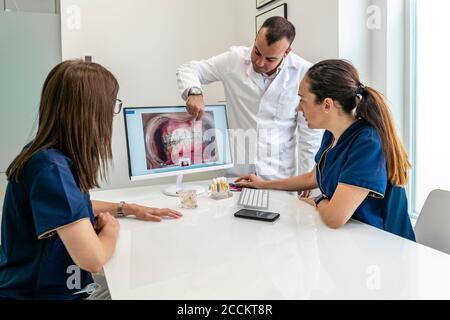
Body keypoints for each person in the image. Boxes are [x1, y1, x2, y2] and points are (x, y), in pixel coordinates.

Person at [0, 60, 182, 300]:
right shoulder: (50, 169)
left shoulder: (48, 157)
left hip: (57, 284)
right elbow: (93, 260)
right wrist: (112, 229)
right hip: (41, 293)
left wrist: (127, 208)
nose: (113, 113)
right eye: (112, 104)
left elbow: (69, 208)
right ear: (91, 110)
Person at [236, 59, 415, 241]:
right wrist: (263, 184)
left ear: (327, 105)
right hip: (349, 240)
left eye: (303, 100)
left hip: (384, 249)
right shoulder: (332, 134)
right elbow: (313, 177)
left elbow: (334, 218)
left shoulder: (367, 143)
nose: (298, 108)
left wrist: (318, 200)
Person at [177, 17, 322, 184]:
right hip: (237, 175)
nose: (260, 62)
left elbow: (309, 138)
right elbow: (189, 68)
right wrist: (194, 92)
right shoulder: (234, 60)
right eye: (257, 52)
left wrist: (307, 183)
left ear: (287, 52)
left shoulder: (304, 73)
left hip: (280, 178)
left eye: (270, 59)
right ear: (255, 40)